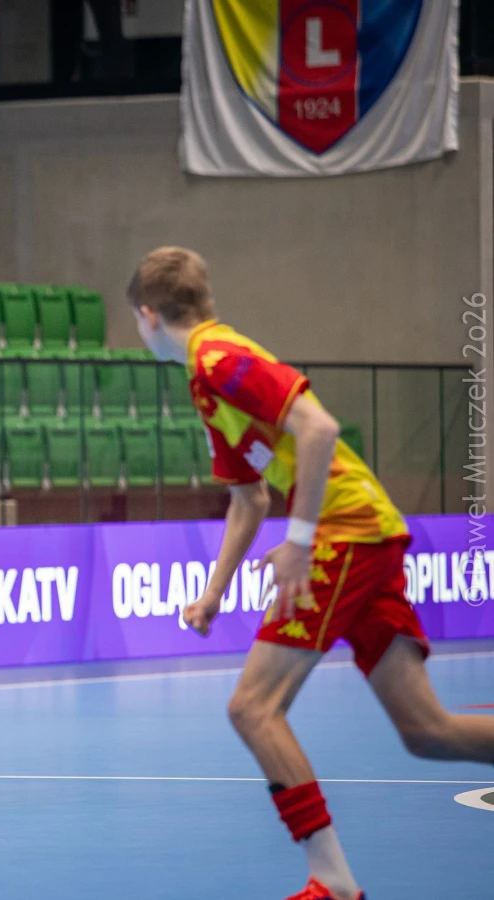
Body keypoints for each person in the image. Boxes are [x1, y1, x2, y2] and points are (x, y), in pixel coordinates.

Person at [129, 247, 494, 900]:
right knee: (427, 731)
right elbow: (249, 498)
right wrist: (213, 593)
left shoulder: (218, 358)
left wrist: (299, 542)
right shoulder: (205, 380)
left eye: (136, 320)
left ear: (149, 315)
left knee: (252, 708)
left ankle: (333, 881)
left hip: (344, 531)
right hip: (367, 532)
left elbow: (318, 427)